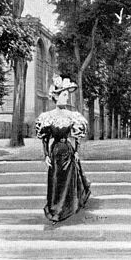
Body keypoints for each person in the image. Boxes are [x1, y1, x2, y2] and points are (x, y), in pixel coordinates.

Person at [35, 75, 91, 223]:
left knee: (68, 179)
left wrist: (77, 151)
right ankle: (55, 209)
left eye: (67, 96)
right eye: (64, 95)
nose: (67, 98)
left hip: (67, 150)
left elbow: (77, 136)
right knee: (55, 180)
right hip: (55, 152)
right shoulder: (48, 116)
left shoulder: (72, 115)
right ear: (56, 97)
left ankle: (67, 208)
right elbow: (45, 138)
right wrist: (46, 155)